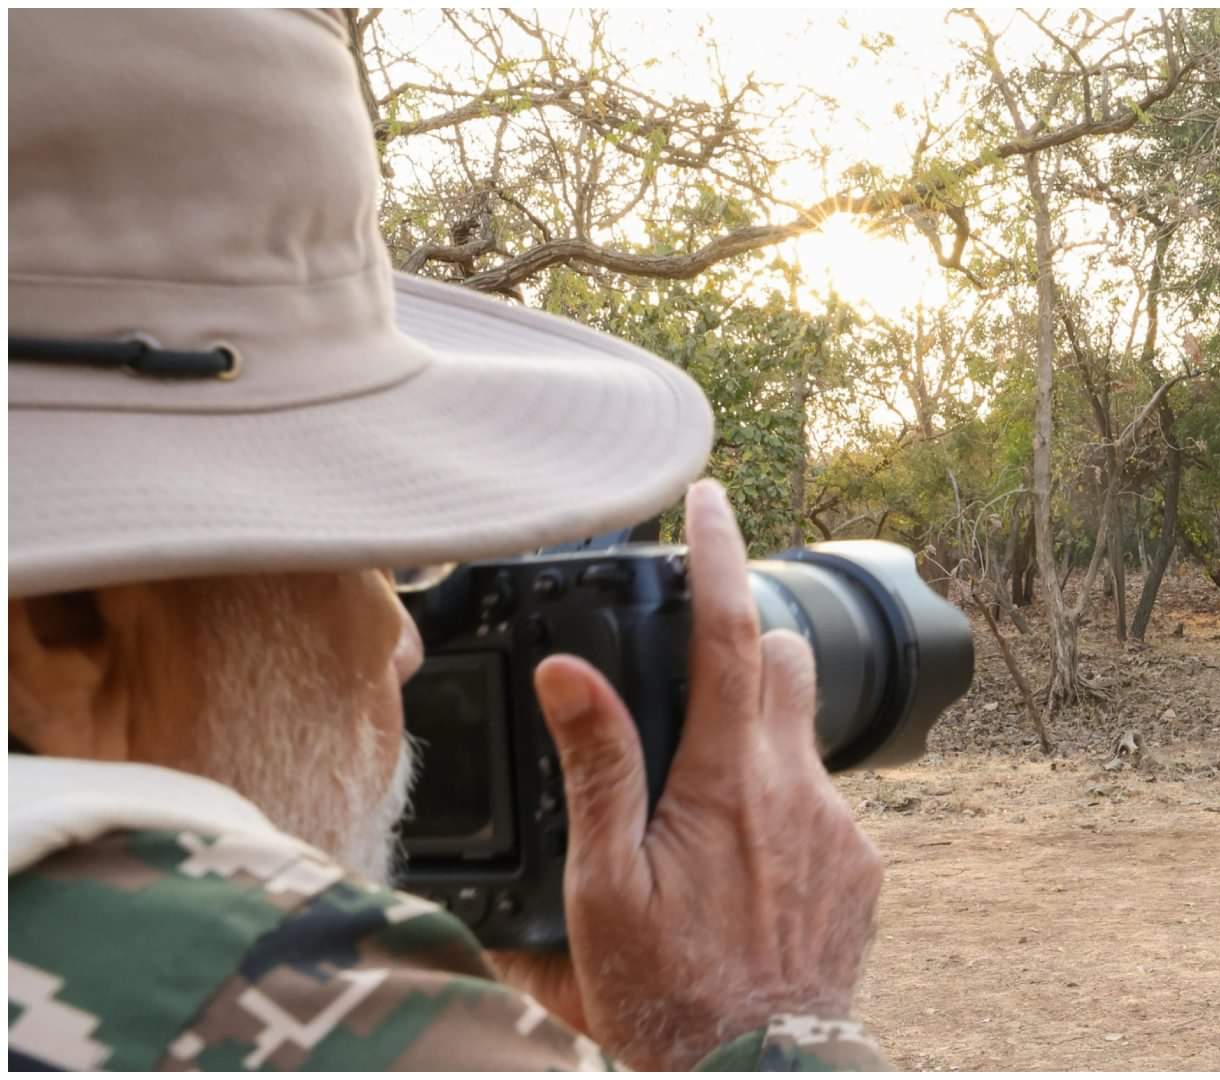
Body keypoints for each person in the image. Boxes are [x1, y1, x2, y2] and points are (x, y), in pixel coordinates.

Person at [8, 9, 887, 1071]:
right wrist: (765, 1020)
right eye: (376, 562)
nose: (407, 638)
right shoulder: (279, 1002)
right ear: (66, 629)